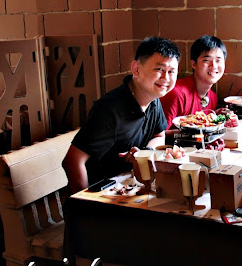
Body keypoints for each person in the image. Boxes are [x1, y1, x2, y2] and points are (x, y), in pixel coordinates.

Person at [63, 37, 180, 194]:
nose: (166, 78)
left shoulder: (153, 99)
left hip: (128, 188)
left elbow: (159, 135)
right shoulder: (109, 109)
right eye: (159, 69)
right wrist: (86, 204)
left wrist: (145, 152)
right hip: (101, 194)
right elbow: (72, 161)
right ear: (136, 69)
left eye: (171, 71)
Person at [160, 35, 226, 131]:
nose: (214, 66)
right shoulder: (177, 94)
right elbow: (158, 134)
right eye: (206, 60)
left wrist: (216, 116)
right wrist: (191, 133)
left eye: (218, 60)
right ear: (194, 64)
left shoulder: (212, 97)